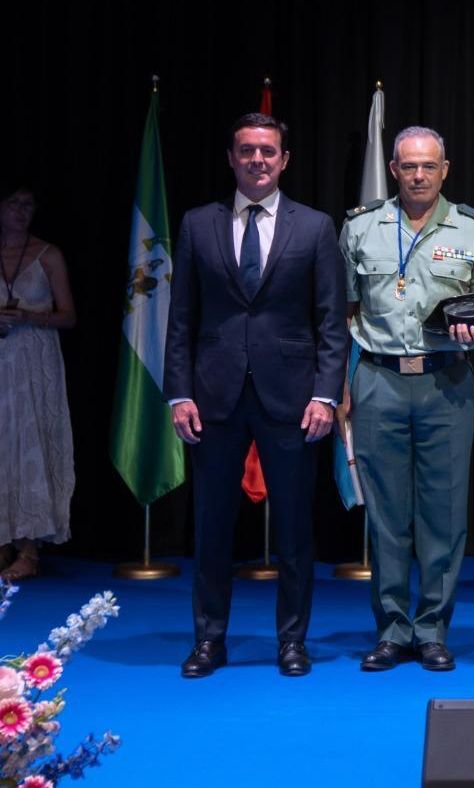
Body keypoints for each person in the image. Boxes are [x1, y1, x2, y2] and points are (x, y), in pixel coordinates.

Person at [165, 113, 347, 678]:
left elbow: (331, 322)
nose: (258, 160)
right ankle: (208, 641)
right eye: (247, 151)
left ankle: (292, 642)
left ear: (284, 160)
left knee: (294, 531)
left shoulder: (315, 227)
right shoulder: (198, 224)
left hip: (292, 400)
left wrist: (326, 394)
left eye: (268, 151)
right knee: (213, 528)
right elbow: (181, 320)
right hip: (214, 397)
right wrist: (178, 394)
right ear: (231, 158)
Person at [341, 125, 474, 673]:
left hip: (446, 383)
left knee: (443, 513)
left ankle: (432, 628)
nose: (418, 175)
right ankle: (391, 630)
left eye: (428, 166)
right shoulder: (361, 228)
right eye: (408, 166)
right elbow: (343, 309)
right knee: (386, 515)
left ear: (444, 169)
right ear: (394, 170)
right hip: (379, 379)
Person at [0, 187, 77, 580]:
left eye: (28, 205)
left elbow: (69, 315)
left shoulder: (48, 255)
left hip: (34, 359)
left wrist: (32, 317)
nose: (21, 211)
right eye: (14, 203)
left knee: (29, 442)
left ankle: (29, 548)